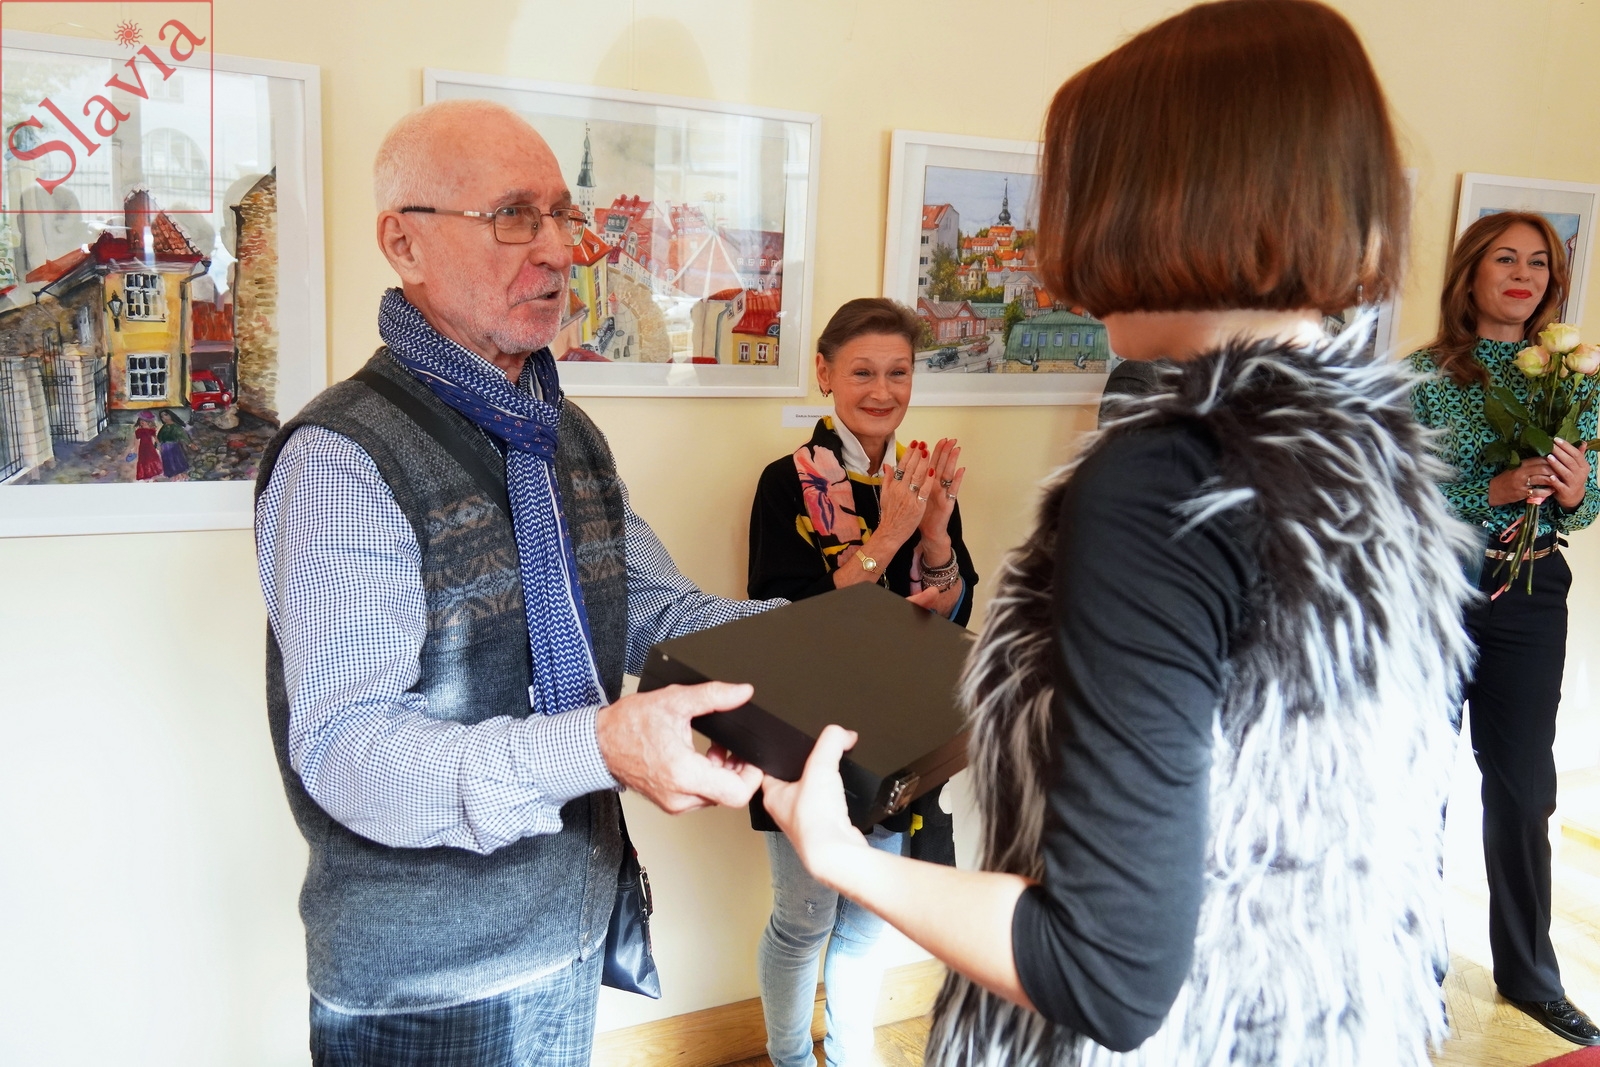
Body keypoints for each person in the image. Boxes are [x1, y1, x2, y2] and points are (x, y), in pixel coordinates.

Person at [761, 2, 1477, 1064]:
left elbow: (1106, 967)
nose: (1061, 255)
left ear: (1157, 202)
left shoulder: (1169, 478)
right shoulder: (1369, 448)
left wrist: (839, 853)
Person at [254, 98, 782, 1067]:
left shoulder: (563, 432)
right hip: (429, 982)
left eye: (560, 214)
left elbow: (649, 608)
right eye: (511, 216)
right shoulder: (341, 457)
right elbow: (349, 749)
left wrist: (832, 636)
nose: (557, 249)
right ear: (403, 243)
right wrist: (601, 743)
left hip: (569, 923)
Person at [746, 297, 978, 1067]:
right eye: (863, 373)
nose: (883, 391)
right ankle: (788, 1057)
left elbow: (952, 611)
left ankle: (851, 1055)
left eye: (898, 373)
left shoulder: (919, 478)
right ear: (824, 374)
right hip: (802, 729)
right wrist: (889, 533)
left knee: (870, 917)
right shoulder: (786, 483)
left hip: (897, 724)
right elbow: (787, 619)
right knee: (803, 917)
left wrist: (934, 531)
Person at [1408, 211, 1600, 1046]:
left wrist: (1575, 490)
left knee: (1524, 789)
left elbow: (1586, 504)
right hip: (1432, 588)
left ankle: (1530, 975)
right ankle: (1411, 972)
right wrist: (1486, 491)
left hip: (1531, 593)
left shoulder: (1576, 382)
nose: (1523, 275)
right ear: (1471, 274)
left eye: (1538, 262)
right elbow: (1392, 492)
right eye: (1505, 259)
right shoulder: (1421, 377)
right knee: (1417, 783)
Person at [157, 409, 190, 479]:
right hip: (164, 449)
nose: (164, 417)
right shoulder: (164, 427)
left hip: (173, 447)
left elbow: (182, 436)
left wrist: (189, 444)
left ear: (170, 415)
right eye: (162, 417)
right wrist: (158, 445)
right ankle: (173, 477)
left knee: (176, 461)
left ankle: (180, 477)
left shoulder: (176, 426)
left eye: (166, 415)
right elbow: (159, 437)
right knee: (168, 463)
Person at [132, 410, 162, 480]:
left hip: (150, 447)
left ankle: (152, 473)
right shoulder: (139, 431)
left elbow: (155, 438)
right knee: (143, 460)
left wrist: (159, 445)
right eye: (141, 420)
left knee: (151, 458)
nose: (142, 422)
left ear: (149, 422)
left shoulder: (151, 430)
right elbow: (136, 440)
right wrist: (134, 449)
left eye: (144, 420)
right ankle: (145, 474)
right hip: (142, 448)